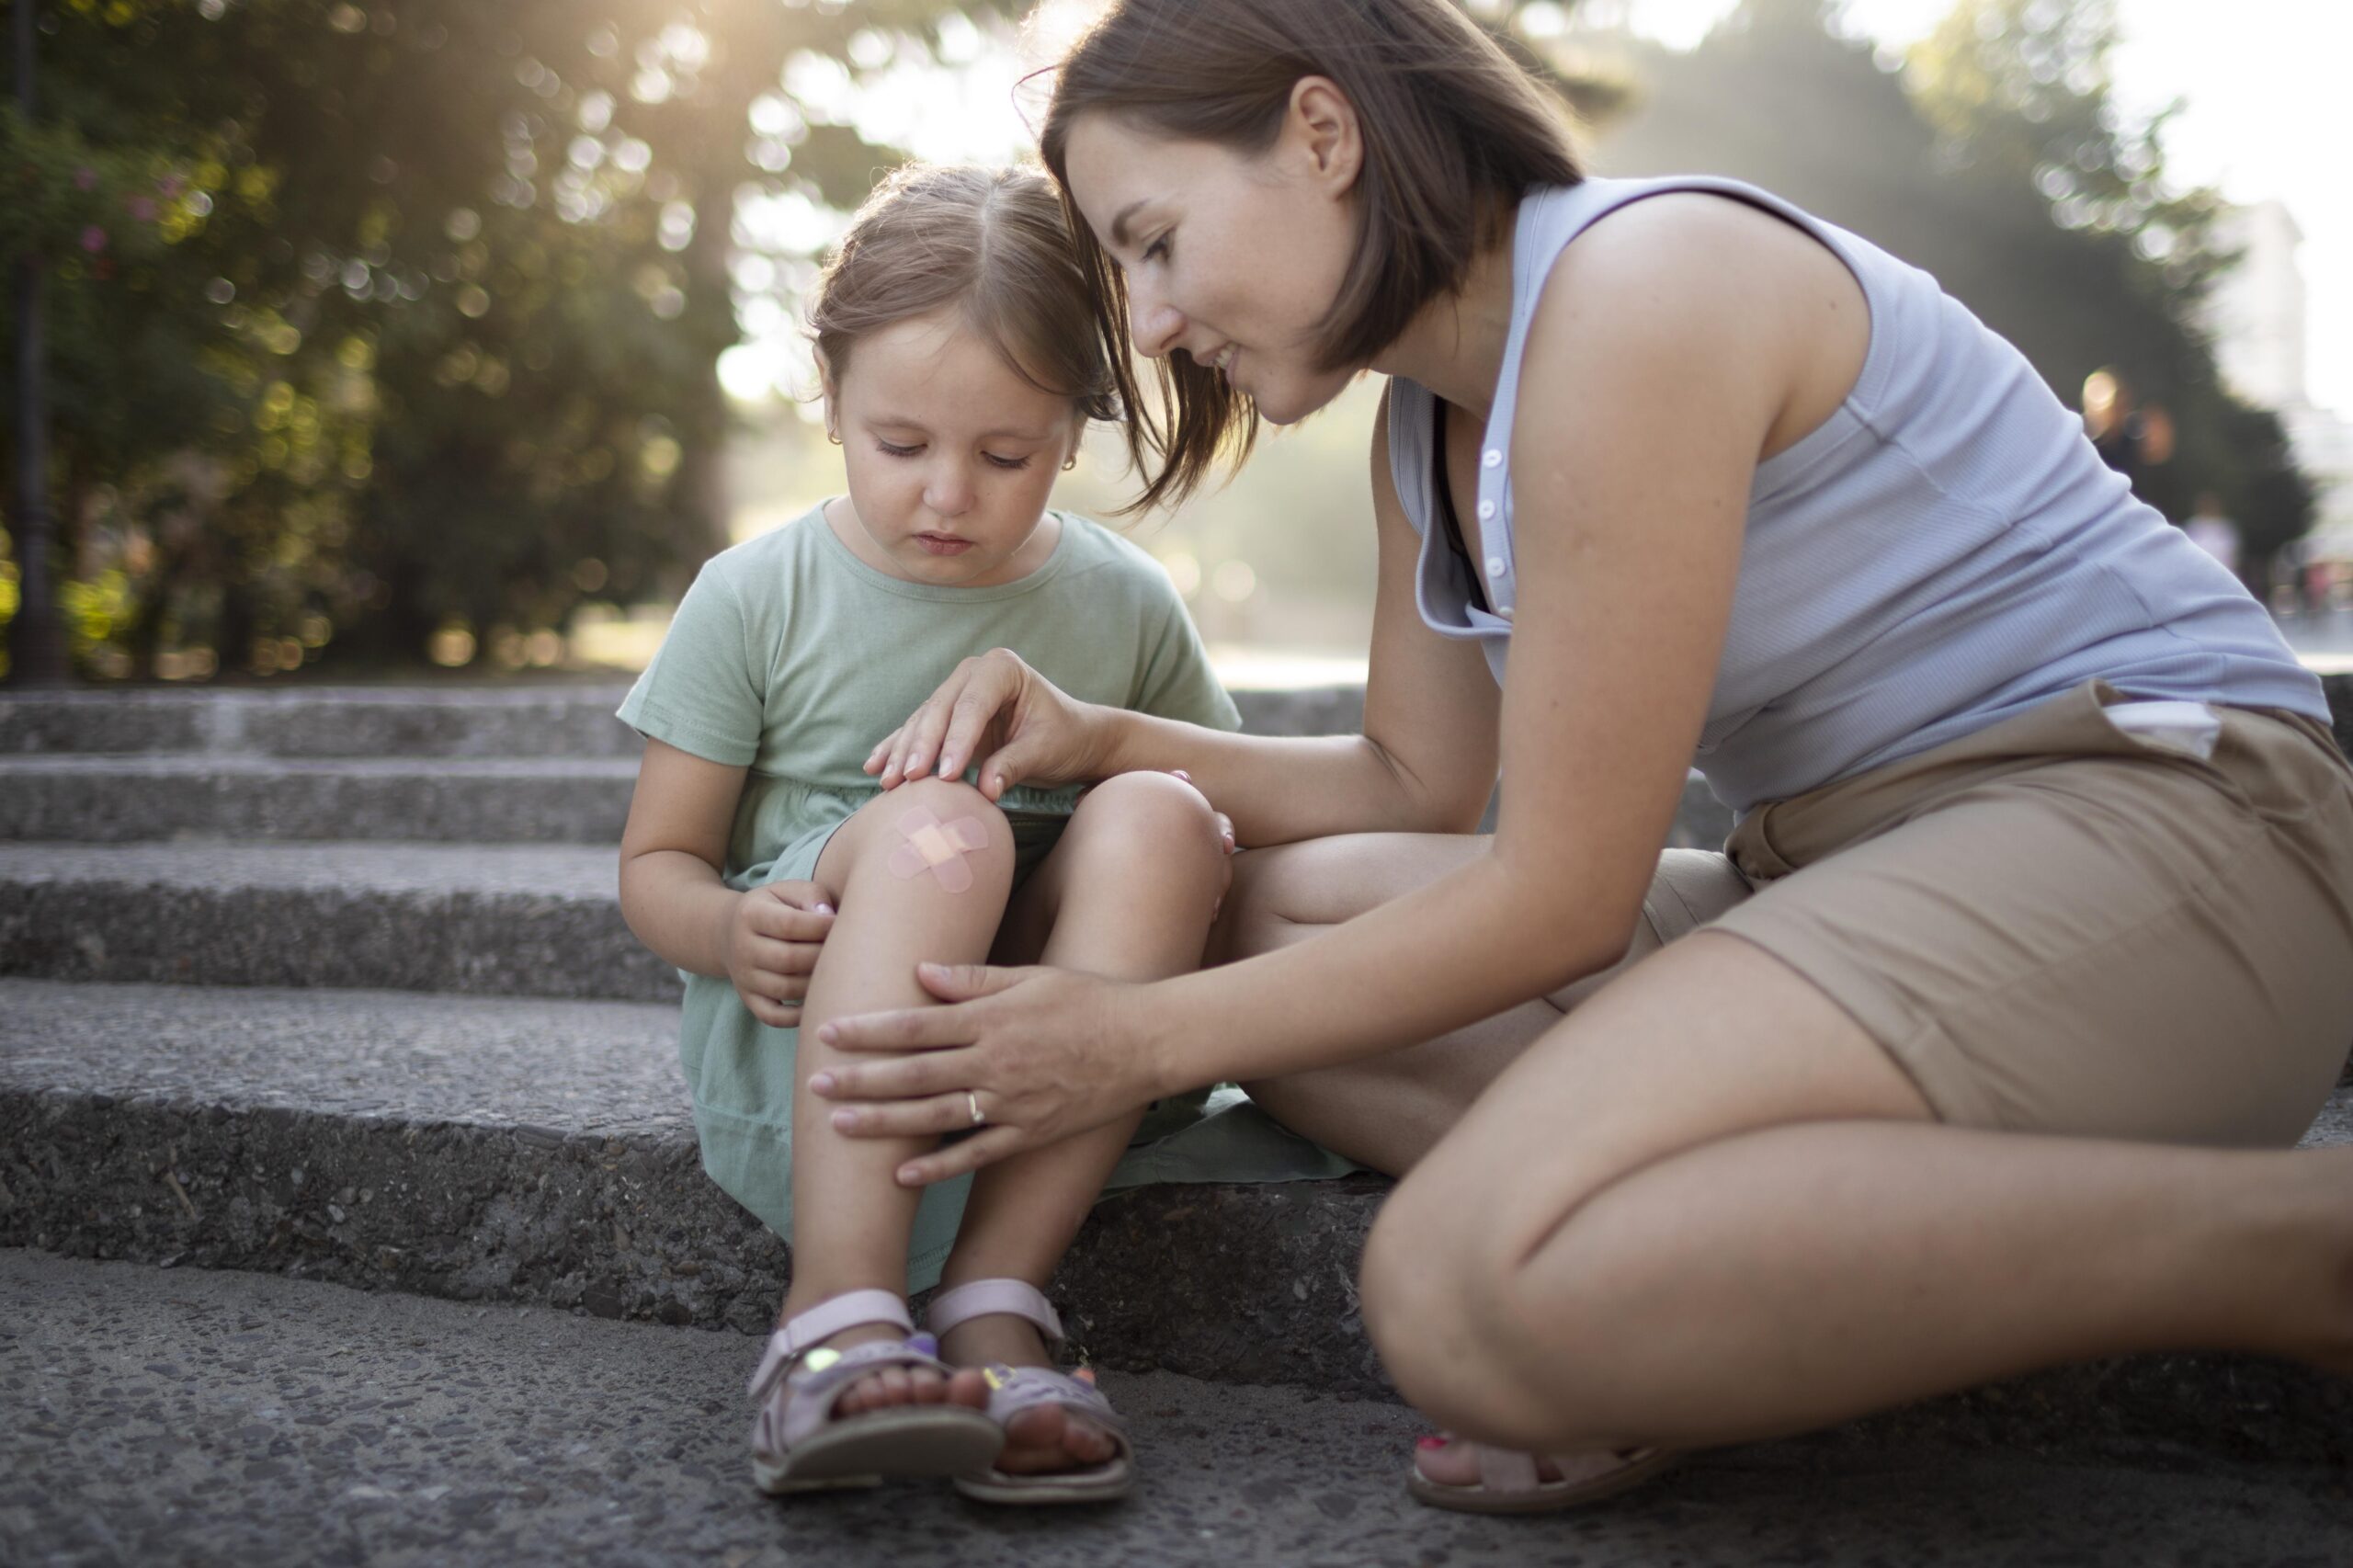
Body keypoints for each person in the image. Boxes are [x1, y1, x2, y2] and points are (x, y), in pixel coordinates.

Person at [805, 0, 2353, 1516]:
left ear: (1322, 132)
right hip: (1846, 873)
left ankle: (2302, 1243)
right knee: (1241, 903)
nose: (1144, 321)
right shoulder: (1431, 422)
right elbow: (1416, 791)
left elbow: (1559, 898)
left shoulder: (1638, 290)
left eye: (1152, 238)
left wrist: (1127, 1040)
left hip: (2172, 837)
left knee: (1464, 1294)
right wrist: (1108, 735)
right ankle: (1689, 1303)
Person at [614, 163, 1269, 1503]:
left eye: (1005, 455)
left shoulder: (1125, 603)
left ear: (1075, 430)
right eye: (900, 444)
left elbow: (1237, 807)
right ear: (834, 401)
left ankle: (995, 1296)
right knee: (944, 834)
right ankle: (835, 1318)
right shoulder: (757, 595)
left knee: (1160, 812)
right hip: (824, 1036)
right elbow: (653, 866)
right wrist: (730, 927)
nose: (947, 496)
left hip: (1059, 1054)